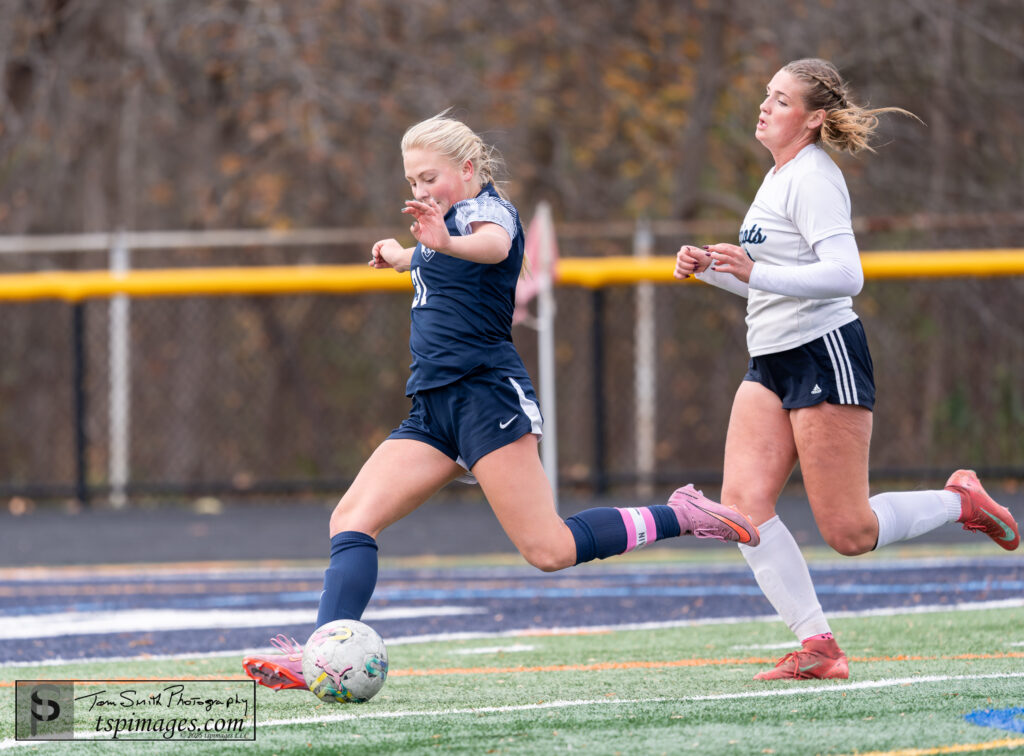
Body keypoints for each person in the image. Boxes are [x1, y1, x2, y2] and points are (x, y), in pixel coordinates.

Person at [243, 111, 759, 691]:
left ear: (468, 169)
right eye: (412, 182)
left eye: (430, 177)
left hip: (487, 398)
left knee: (550, 549)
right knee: (352, 519)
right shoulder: (444, 227)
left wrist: (440, 240)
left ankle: (683, 514)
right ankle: (320, 652)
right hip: (432, 408)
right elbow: (441, 261)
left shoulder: (485, 212)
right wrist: (400, 256)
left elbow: (491, 246)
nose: (420, 191)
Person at [674, 58, 1020, 681]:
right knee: (744, 506)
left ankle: (958, 500)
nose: (764, 107)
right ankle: (819, 647)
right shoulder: (775, 177)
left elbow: (844, 277)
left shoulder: (813, 177)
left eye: (780, 101)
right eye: (767, 96)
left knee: (850, 531)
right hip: (771, 358)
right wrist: (714, 271)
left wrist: (752, 271)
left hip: (822, 352)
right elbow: (772, 289)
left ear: (812, 121)